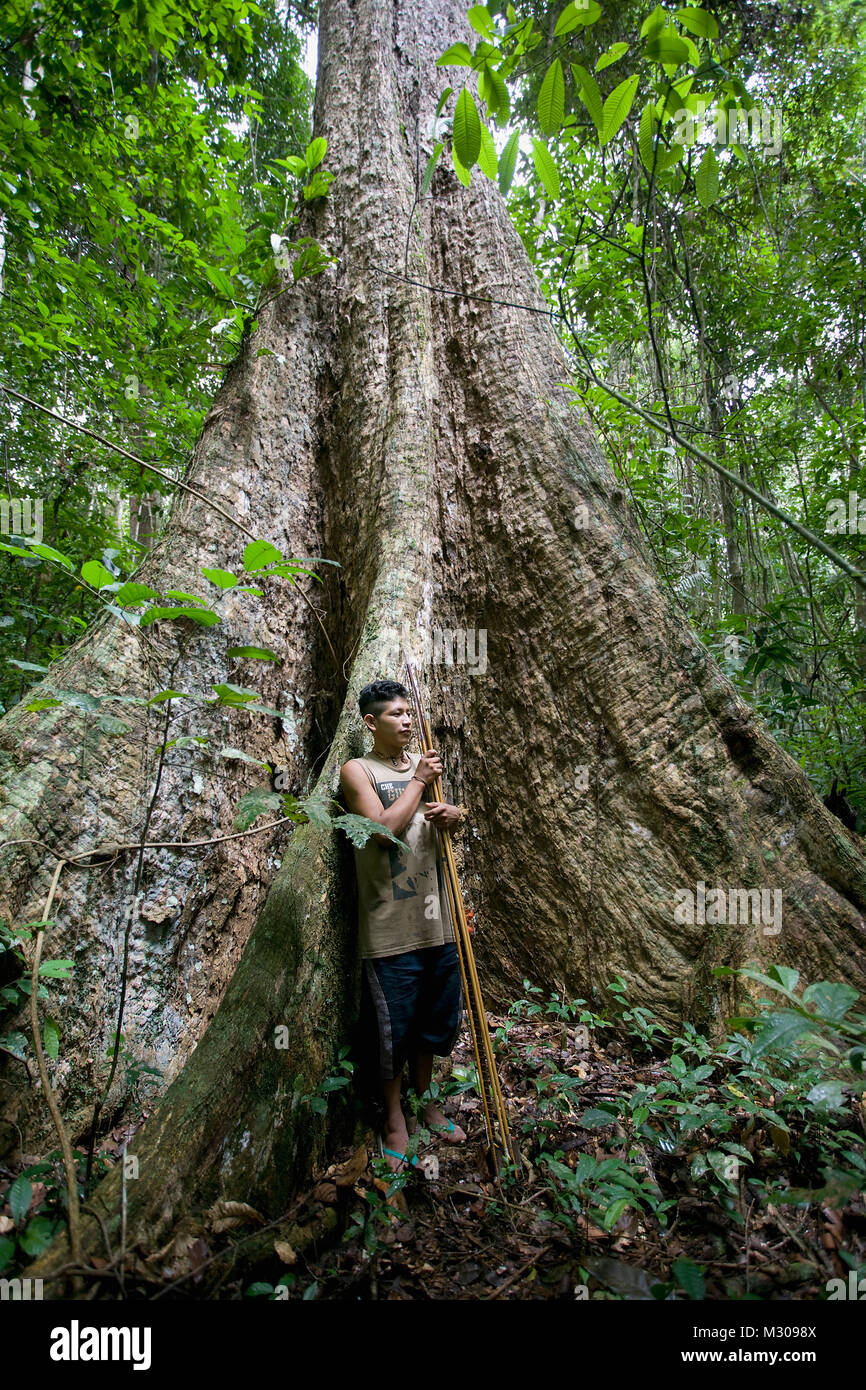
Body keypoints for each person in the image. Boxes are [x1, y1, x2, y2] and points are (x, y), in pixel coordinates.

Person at [340, 678, 467, 1173]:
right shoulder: (358, 770)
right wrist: (417, 780)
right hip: (389, 927)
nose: (408, 720)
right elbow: (381, 832)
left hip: (438, 922)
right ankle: (394, 1118)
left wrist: (451, 813)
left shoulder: (421, 769)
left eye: (409, 712)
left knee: (434, 1024)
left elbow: (427, 822)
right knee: (392, 1031)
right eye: (395, 714)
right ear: (371, 723)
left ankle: (427, 1101)